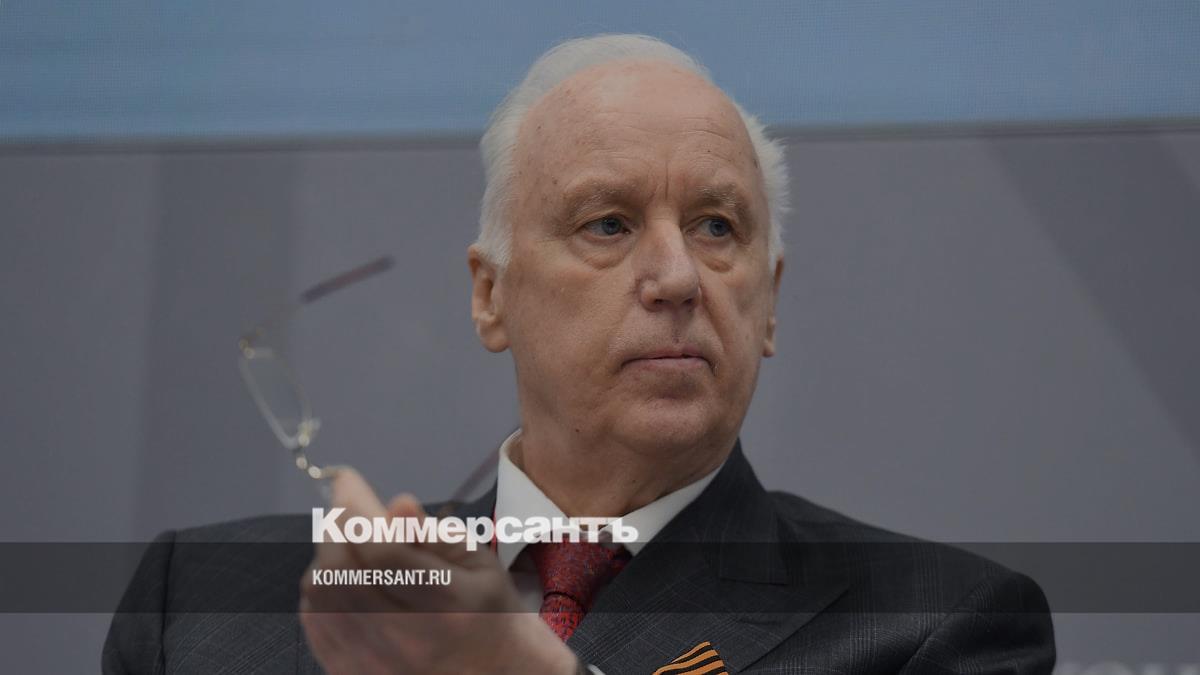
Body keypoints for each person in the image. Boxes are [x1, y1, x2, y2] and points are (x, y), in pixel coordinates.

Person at [104, 34, 1055, 674]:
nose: (678, 276)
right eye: (608, 223)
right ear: (491, 295)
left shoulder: (935, 628)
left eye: (717, 227)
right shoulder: (207, 608)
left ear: (768, 302)